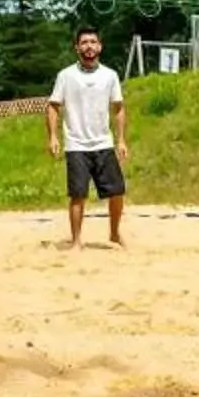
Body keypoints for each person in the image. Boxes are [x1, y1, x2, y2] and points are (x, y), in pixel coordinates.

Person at [45, 27, 129, 249]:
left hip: (103, 142)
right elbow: (53, 106)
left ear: (100, 46)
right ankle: (76, 241)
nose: (89, 46)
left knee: (117, 192)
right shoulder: (66, 75)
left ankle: (114, 233)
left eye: (93, 42)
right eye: (84, 42)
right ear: (77, 48)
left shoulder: (110, 75)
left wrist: (121, 140)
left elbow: (119, 108)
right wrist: (53, 137)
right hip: (76, 144)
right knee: (78, 194)